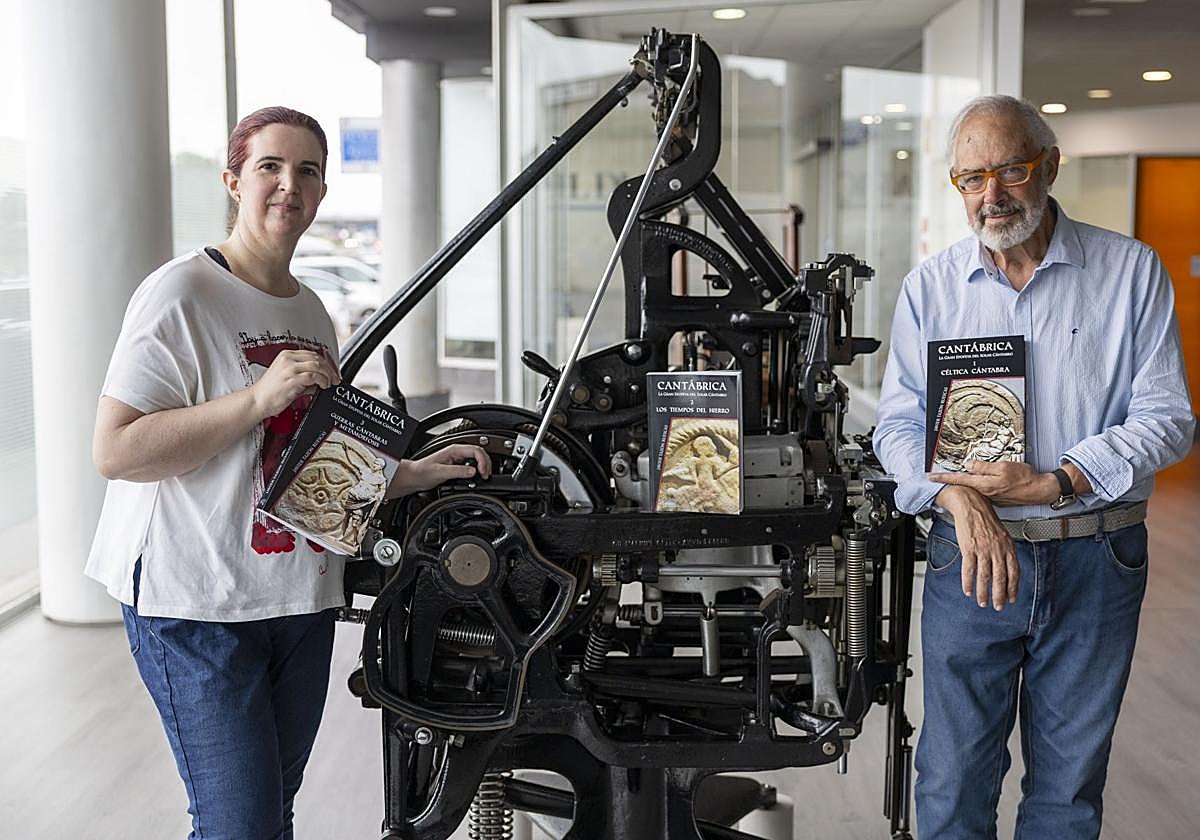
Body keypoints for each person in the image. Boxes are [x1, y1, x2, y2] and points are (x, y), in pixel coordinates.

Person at [85, 106, 490, 840]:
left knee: (268, 817)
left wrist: (413, 474)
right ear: (234, 180)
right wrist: (257, 397)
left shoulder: (310, 311)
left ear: (323, 192)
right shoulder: (180, 294)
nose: (287, 185)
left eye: (306, 171)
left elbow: (305, 466)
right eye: (269, 166)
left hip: (295, 598)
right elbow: (116, 452)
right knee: (238, 824)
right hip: (194, 602)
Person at [874, 95, 1194, 839]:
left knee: (1068, 786)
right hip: (970, 555)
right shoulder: (931, 288)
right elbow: (896, 425)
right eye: (971, 177)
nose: (992, 195)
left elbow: (1169, 418)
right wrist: (956, 499)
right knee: (952, 777)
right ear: (956, 184)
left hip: (1096, 554)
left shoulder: (1130, 272)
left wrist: (1060, 479)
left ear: (1049, 166)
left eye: (1010, 170)